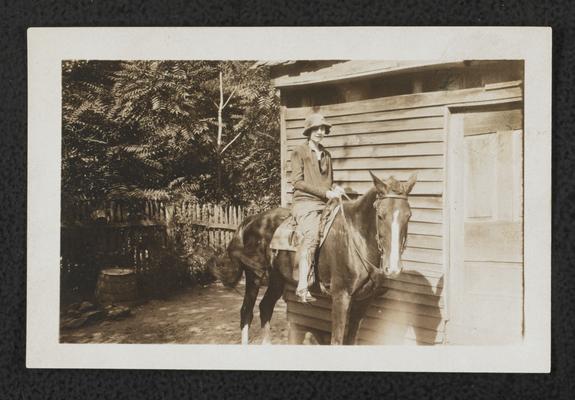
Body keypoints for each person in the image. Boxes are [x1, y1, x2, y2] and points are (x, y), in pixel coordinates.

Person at [290, 113, 345, 303]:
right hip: (305, 203)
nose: (320, 132)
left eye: (323, 129)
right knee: (312, 236)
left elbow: (329, 183)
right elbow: (297, 182)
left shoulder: (327, 155)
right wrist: (325, 193)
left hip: (325, 203)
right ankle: (302, 286)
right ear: (309, 131)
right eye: (317, 129)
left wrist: (335, 188)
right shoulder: (299, 152)